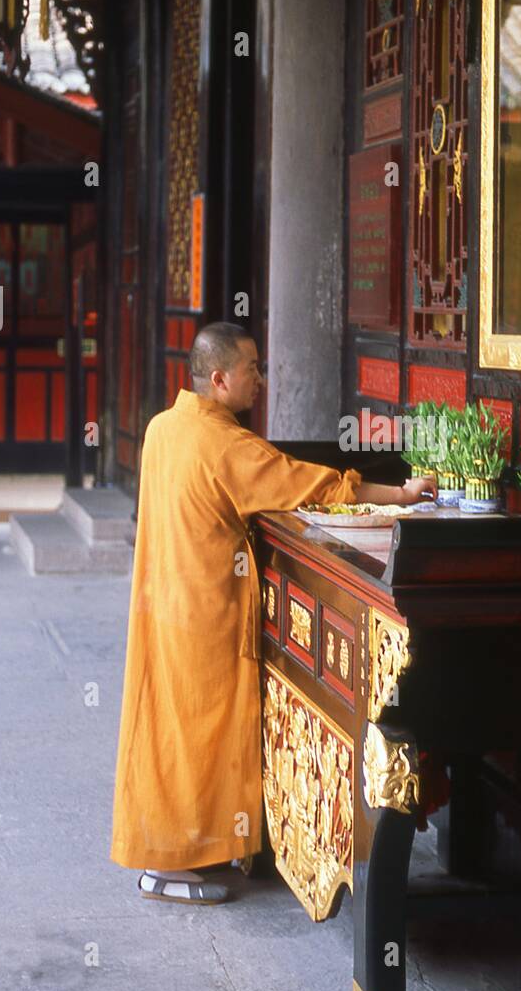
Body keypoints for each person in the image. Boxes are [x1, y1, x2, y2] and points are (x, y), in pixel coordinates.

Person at [110, 322, 436, 903]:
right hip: (205, 615)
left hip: (164, 605)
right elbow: (306, 485)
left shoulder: (164, 427)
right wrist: (400, 496)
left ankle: (187, 850)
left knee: (168, 732)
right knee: (199, 737)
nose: (261, 379)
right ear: (218, 378)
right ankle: (173, 865)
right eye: (252, 369)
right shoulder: (223, 443)